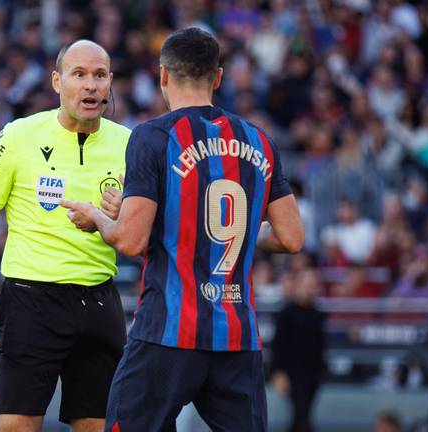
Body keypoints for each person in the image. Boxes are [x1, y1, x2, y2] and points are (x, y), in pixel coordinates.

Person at [61, 27, 304, 431]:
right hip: (236, 338)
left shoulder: (154, 137)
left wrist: (98, 217)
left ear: (163, 76)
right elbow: (292, 237)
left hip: (167, 333)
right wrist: (240, 231)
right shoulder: (259, 140)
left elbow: (130, 239)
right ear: (218, 77)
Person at [0, 40, 130, 432]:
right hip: (32, 301)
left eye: (99, 76)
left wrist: (123, 218)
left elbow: (145, 234)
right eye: (79, 75)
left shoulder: (130, 144)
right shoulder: (17, 137)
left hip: (100, 299)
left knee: (99, 426)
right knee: (16, 425)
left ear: (110, 83)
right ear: (56, 82)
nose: (90, 86)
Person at [271, 268, 326, 432]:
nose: (310, 288)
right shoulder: (286, 313)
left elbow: (320, 346)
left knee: (302, 417)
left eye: (314, 285)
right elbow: (278, 345)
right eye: (307, 284)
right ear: (297, 286)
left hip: (312, 374)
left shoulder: (318, 314)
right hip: (292, 374)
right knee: (302, 418)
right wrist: (278, 372)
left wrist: (321, 372)